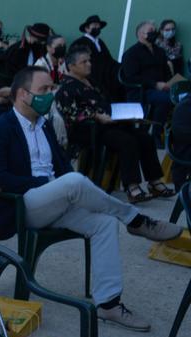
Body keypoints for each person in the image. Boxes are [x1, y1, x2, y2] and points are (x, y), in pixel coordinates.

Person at [0, 67, 181, 332]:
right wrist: (49, 184)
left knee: (105, 223)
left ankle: (108, 304)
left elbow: (62, 168)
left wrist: (64, 188)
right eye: (44, 90)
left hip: (56, 200)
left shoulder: (44, 124)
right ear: (22, 95)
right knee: (73, 182)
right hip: (23, 205)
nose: (51, 95)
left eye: (52, 89)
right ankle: (136, 220)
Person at [56, 47, 174, 204]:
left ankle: (154, 182)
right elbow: (72, 114)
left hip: (109, 123)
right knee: (126, 141)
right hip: (89, 129)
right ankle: (132, 187)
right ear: (71, 66)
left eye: (89, 60)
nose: (89, 64)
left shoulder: (91, 81)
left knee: (145, 137)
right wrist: (96, 116)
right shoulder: (66, 87)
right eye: (84, 62)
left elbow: (106, 102)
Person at [121, 21, 174, 127]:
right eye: (151, 31)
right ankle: (156, 132)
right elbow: (131, 77)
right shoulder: (131, 54)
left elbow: (166, 72)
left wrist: (171, 83)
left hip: (162, 89)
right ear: (141, 34)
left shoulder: (160, 51)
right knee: (167, 99)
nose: (154, 32)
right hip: (142, 91)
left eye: (155, 30)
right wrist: (155, 84)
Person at [70, 15, 118, 98]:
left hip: (104, 79)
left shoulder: (100, 42)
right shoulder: (80, 43)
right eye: (95, 25)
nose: (97, 27)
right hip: (91, 79)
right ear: (87, 28)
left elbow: (108, 59)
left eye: (98, 26)